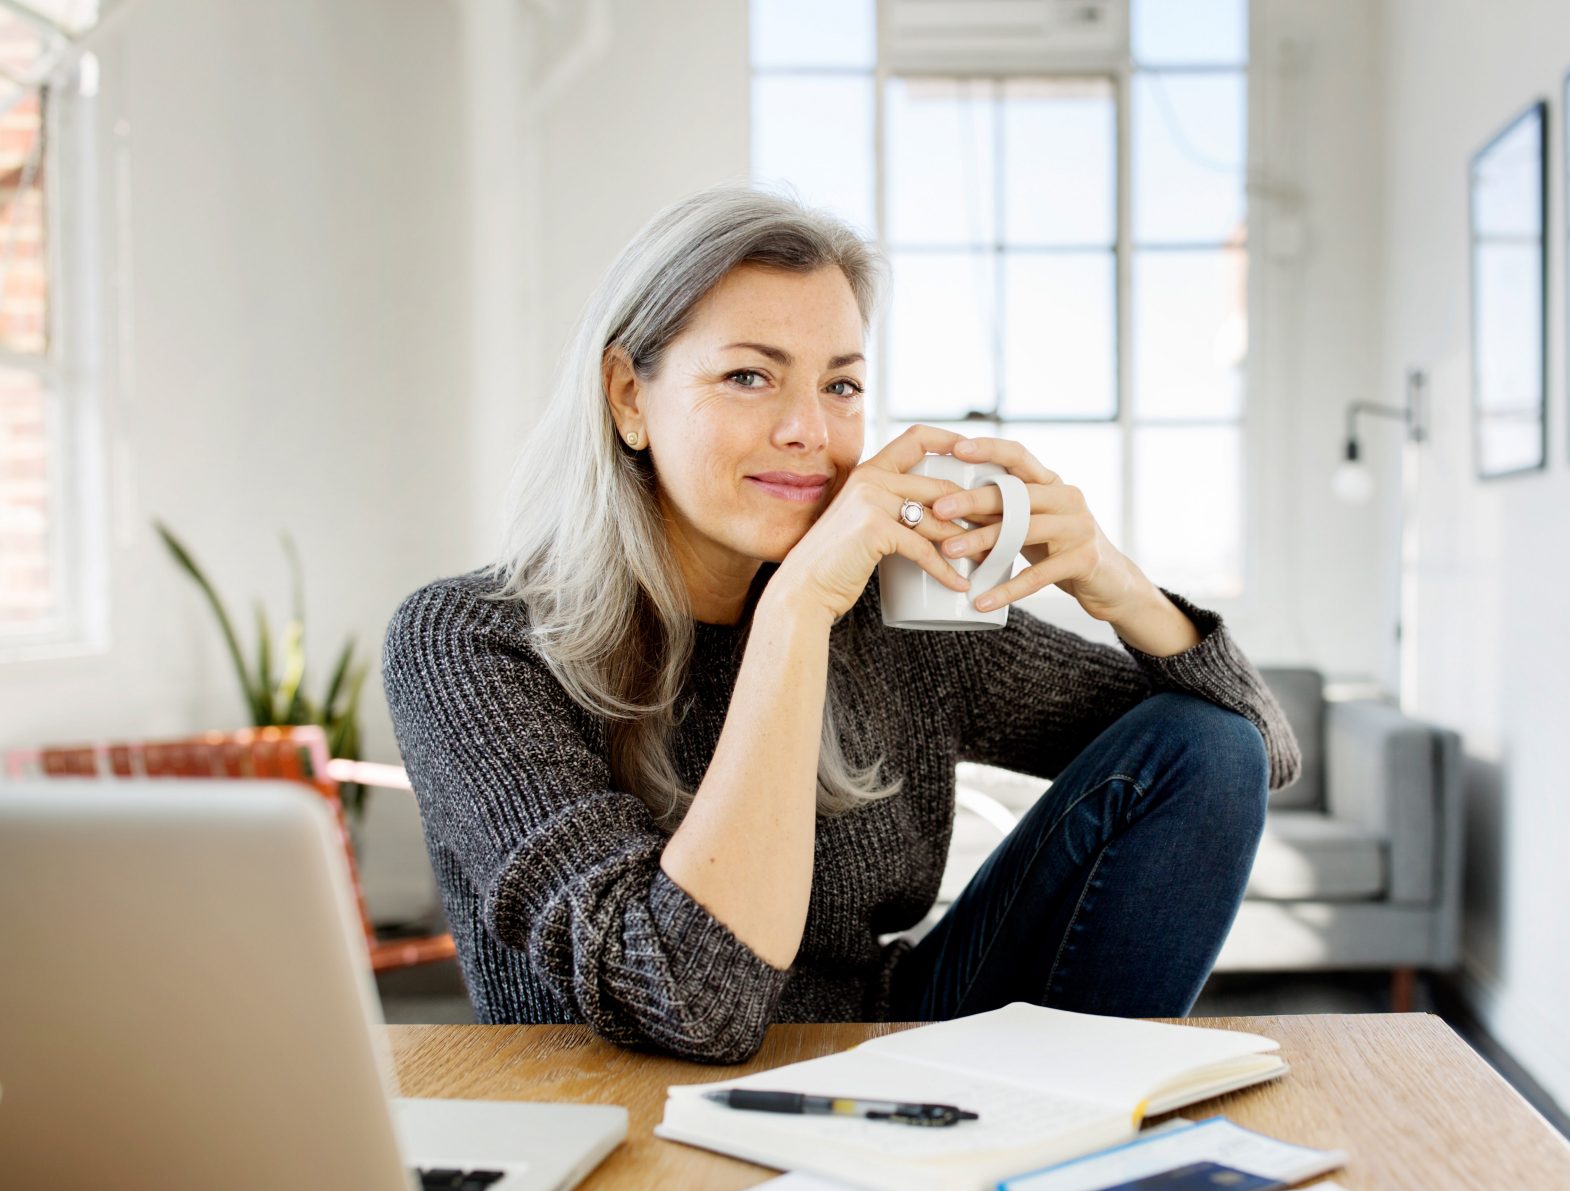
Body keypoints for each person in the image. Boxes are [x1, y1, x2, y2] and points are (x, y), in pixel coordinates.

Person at [383, 184, 1301, 1063]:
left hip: (879, 1063)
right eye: (749, 376)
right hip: (624, 1091)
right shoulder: (472, 643)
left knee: (1201, 744)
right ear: (629, 395)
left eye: (843, 386)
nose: (809, 431)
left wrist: (1113, 581)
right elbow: (693, 1004)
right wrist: (796, 607)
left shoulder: (891, 613)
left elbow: (1244, 754)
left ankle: (1067, 1123)